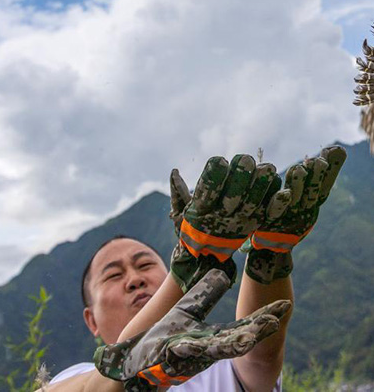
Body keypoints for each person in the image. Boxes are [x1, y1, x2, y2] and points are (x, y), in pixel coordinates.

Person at [45, 146, 347, 391]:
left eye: (145, 264)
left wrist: (271, 254)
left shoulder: (214, 365)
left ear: (165, 277)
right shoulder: (77, 378)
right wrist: (183, 276)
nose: (134, 279)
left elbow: (261, 357)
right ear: (90, 320)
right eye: (114, 274)